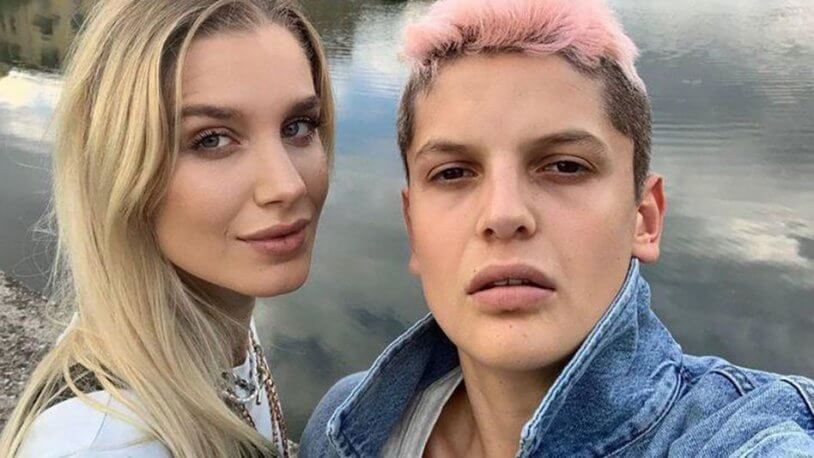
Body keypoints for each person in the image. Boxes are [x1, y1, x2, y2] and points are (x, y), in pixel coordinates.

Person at [300, 0, 814, 456]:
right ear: (413, 227)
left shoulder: (744, 435)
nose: (502, 215)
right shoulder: (343, 428)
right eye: (453, 173)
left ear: (644, 218)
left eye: (565, 166)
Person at [0, 0, 333, 456]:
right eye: (211, 139)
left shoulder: (211, 314)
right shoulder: (105, 445)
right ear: (117, 166)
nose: (288, 185)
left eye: (297, 126)